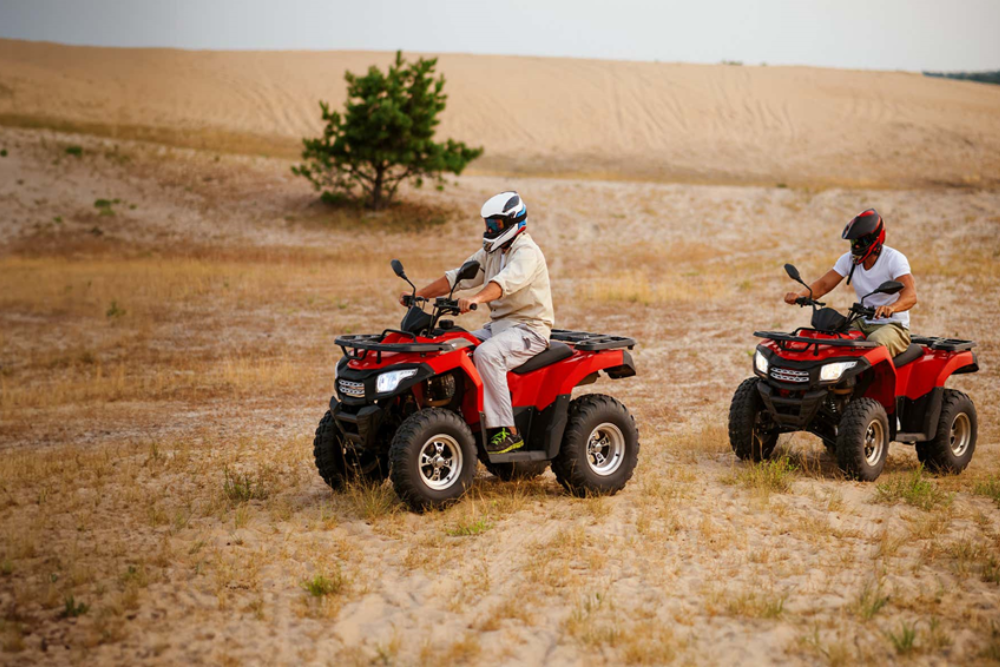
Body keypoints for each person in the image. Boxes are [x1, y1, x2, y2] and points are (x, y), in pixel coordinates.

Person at [401, 191, 554, 454]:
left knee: (487, 354)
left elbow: (502, 284)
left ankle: (507, 431)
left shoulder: (526, 252)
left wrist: (476, 299)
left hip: (530, 329)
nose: (490, 229)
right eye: (487, 224)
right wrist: (419, 295)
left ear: (512, 223)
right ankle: (457, 414)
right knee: (450, 346)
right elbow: (457, 277)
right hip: (499, 327)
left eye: (495, 225)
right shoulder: (491, 250)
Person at [783, 208, 917, 358]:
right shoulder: (848, 260)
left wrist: (891, 308)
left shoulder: (894, 259)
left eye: (862, 241)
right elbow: (824, 285)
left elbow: (910, 295)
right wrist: (800, 295)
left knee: (874, 343)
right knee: (833, 339)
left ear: (876, 240)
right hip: (861, 322)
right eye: (854, 241)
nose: (857, 246)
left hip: (893, 326)